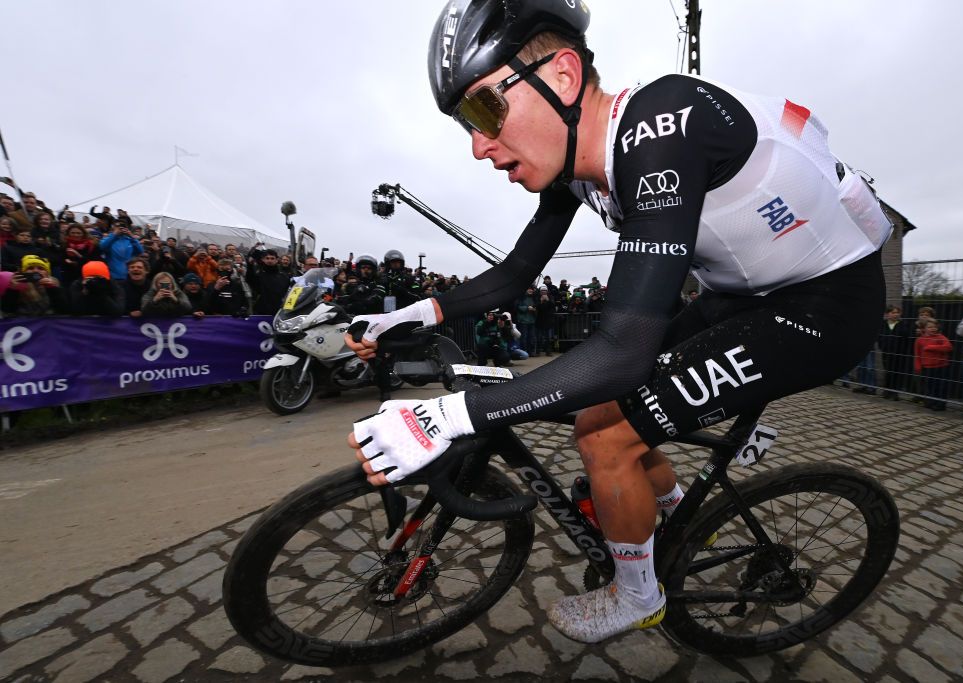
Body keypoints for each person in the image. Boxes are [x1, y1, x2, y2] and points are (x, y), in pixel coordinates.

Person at [346, 0, 891, 645]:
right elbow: (512, 277)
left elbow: (622, 352)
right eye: (463, 123)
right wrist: (410, 314)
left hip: (822, 307)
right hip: (741, 294)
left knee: (608, 435)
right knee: (594, 415)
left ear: (564, 77)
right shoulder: (580, 165)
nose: (477, 146)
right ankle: (676, 514)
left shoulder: (663, 128)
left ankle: (638, 595)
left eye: (483, 110)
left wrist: (446, 416)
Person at [0, 255, 67, 316]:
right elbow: (7, 310)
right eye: (30, 268)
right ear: (24, 272)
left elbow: (64, 311)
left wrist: (52, 289)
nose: (35, 271)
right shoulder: (17, 284)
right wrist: (12, 289)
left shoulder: (55, 283)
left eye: (41, 268)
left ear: (47, 273)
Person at [914, 319, 953, 411]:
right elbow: (917, 354)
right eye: (930, 327)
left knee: (941, 386)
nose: (933, 329)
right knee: (930, 386)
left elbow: (949, 347)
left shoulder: (941, 337)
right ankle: (931, 402)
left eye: (935, 327)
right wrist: (918, 366)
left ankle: (941, 404)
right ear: (924, 329)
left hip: (941, 367)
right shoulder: (919, 340)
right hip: (927, 368)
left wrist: (932, 347)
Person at [878, 306, 912, 400]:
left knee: (897, 372)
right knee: (888, 371)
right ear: (887, 314)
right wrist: (882, 346)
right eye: (893, 312)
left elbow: (906, 337)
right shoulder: (883, 324)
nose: (896, 314)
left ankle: (895, 392)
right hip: (886, 352)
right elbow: (879, 336)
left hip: (899, 353)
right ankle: (887, 391)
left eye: (897, 312)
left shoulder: (903, 324)